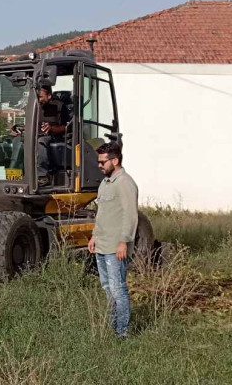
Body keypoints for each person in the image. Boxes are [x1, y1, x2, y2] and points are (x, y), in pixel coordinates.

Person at [88, 142, 139, 338]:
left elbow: (130, 215)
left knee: (118, 290)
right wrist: (94, 236)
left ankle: (122, 332)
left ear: (115, 160)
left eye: (102, 162)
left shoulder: (125, 183)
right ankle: (112, 326)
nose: (99, 165)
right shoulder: (105, 183)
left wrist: (123, 241)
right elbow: (102, 214)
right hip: (102, 244)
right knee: (107, 288)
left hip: (115, 247)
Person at [35, 84, 69, 179]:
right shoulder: (34, 107)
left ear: (49, 96)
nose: (38, 100)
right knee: (17, 141)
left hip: (53, 136)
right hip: (34, 134)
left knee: (41, 141)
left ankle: (42, 176)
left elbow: (66, 127)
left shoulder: (60, 107)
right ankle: (15, 172)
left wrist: (52, 129)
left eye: (40, 97)